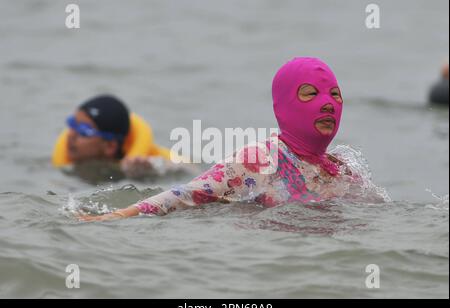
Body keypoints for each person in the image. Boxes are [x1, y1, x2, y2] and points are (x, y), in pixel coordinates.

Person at [78, 57, 363, 221]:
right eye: (311, 94)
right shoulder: (260, 160)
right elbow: (188, 194)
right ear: (284, 105)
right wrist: (115, 217)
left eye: (335, 95)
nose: (328, 103)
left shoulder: (344, 169)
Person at [52, 94, 185, 179]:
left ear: (110, 146)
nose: (70, 134)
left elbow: (187, 169)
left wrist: (153, 168)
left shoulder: (138, 163)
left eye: (83, 131)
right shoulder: (64, 166)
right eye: (72, 124)